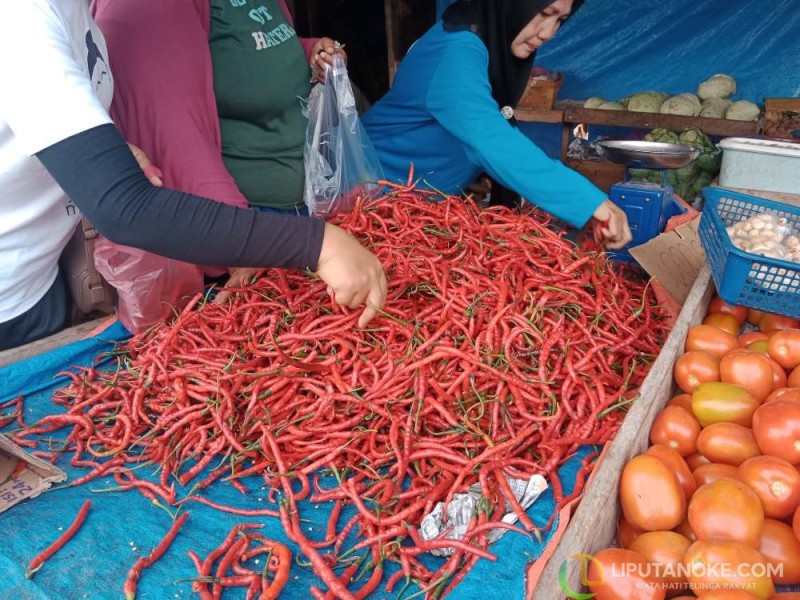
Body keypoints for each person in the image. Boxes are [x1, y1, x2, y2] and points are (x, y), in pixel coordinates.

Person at [0, 0, 386, 352]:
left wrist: (114, 147)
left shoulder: (69, 9)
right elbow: (124, 207)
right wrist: (319, 245)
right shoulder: (22, 20)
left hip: (37, 280)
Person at [362, 0, 633, 249]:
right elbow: (487, 135)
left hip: (410, 212)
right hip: (367, 204)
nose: (549, 32)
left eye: (560, 20)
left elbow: (483, 123)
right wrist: (589, 200)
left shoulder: (486, 43)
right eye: (544, 13)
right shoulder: (457, 49)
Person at [91, 0, 351, 215]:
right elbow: (175, 137)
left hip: (313, 199)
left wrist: (312, 55)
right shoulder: (153, 8)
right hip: (252, 215)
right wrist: (239, 239)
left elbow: (250, 60)